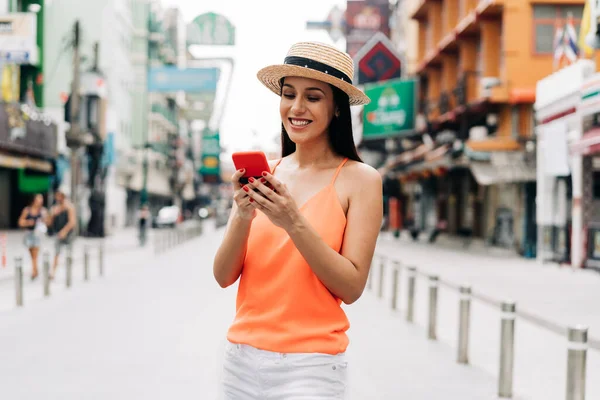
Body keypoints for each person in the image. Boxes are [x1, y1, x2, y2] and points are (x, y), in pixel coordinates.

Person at [213, 42, 383, 399]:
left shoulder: (361, 180)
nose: (296, 107)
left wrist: (293, 222)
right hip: (241, 361)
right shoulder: (266, 175)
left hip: (312, 366)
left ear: (337, 107)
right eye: (288, 94)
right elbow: (223, 276)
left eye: (313, 97)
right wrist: (243, 214)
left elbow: (351, 288)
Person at [47, 190, 76, 279]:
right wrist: (52, 215)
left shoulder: (69, 207)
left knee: (69, 253)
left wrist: (64, 231)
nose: (58, 198)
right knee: (56, 253)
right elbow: (49, 223)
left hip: (68, 233)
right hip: (58, 233)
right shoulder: (55, 208)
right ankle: (53, 272)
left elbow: (72, 222)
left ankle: (69, 272)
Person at [18, 194, 48, 280]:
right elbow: (20, 222)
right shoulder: (27, 210)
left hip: (37, 233)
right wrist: (28, 222)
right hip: (28, 233)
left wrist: (43, 220)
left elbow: (48, 221)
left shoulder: (42, 211)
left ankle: (34, 271)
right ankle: (35, 269)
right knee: (32, 254)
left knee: (35, 253)